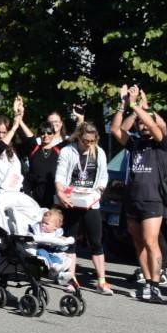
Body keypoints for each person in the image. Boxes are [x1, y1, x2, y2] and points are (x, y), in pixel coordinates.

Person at [110, 85, 167, 302]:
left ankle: (156, 284)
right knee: (138, 243)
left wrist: (142, 107)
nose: (144, 126)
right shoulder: (135, 144)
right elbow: (117, 130)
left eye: (146, 123)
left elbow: (155, 125)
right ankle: (146, 281)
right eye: (140, 124)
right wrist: (125, 106)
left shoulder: (161, 145)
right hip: (132, 200)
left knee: (150, 240)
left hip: (152, 199)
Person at [55, 121, 112, 295]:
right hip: (71, 200)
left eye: (92, 141)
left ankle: (101, 281)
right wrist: (61, 193)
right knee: (71, 241)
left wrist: (99, 191)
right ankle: (72, 280)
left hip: (90, 201)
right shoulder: (67, 151)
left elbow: (103, 177)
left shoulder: (99, 152)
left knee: (96, 242)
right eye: (85, 141)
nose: (88, 144)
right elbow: (60, 175)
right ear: (78, 137)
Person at [29, 208, 76, 284]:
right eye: (42, 222)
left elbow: (61, 246)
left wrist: (64, 242)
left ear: (55, 227)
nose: (43, 225)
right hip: (42, 251)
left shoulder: (57, 233)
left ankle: (59, 272)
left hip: (52, 253)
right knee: (42, 252)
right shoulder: (38, 231)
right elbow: (32, 235)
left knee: (60, 258)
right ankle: (52, 267)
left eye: (46, 224)